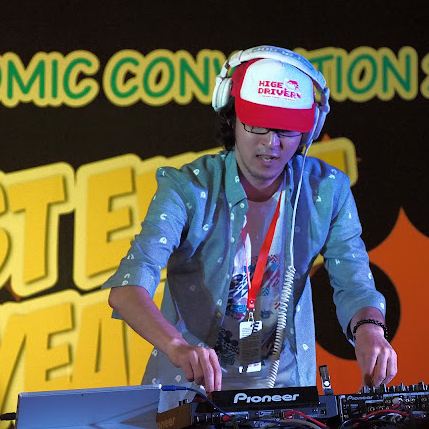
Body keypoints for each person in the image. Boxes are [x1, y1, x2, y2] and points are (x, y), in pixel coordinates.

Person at [102, 45, 397, 410]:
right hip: (189, 392)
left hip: (287, 391)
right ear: (232, 118)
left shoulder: (327, 190)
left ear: (308, 131)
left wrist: (369, 330)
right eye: (257, 125)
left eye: (286, 129)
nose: (271, 143)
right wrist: (178, 347)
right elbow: (127, 289)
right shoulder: (187, 188)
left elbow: (355, 285)